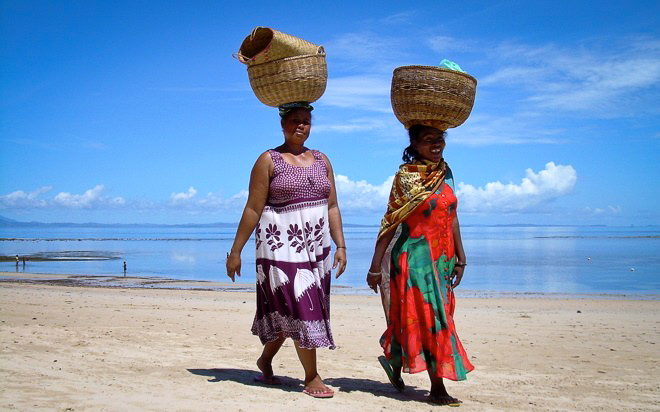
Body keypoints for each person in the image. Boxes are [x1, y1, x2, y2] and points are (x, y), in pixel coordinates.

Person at [226, 102, 347, 399]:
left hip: (315, 248)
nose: (301, 126)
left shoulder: (322, 160)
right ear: (282, 124)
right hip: (279, 248)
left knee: (290, 309)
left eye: (306, 121)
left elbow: (332, 206)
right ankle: (312, 376)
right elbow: (253, 208)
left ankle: (265, 360)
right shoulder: (269, 160)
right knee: (302, 306)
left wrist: (341, 244)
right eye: (295, 121)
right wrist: (235, 251)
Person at [366, 124, 473, 406]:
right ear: (414, 144)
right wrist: (375, 266)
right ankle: (437, 387)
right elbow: (391, 221)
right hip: (413, 260)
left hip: (442, 261)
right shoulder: (406, 177)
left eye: (440, 139)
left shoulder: (446, 172)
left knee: (420, 318)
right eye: (429, 140)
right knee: (431, 321)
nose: (436, 145)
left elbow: (452, 216)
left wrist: (461, 257)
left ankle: (393, 358)